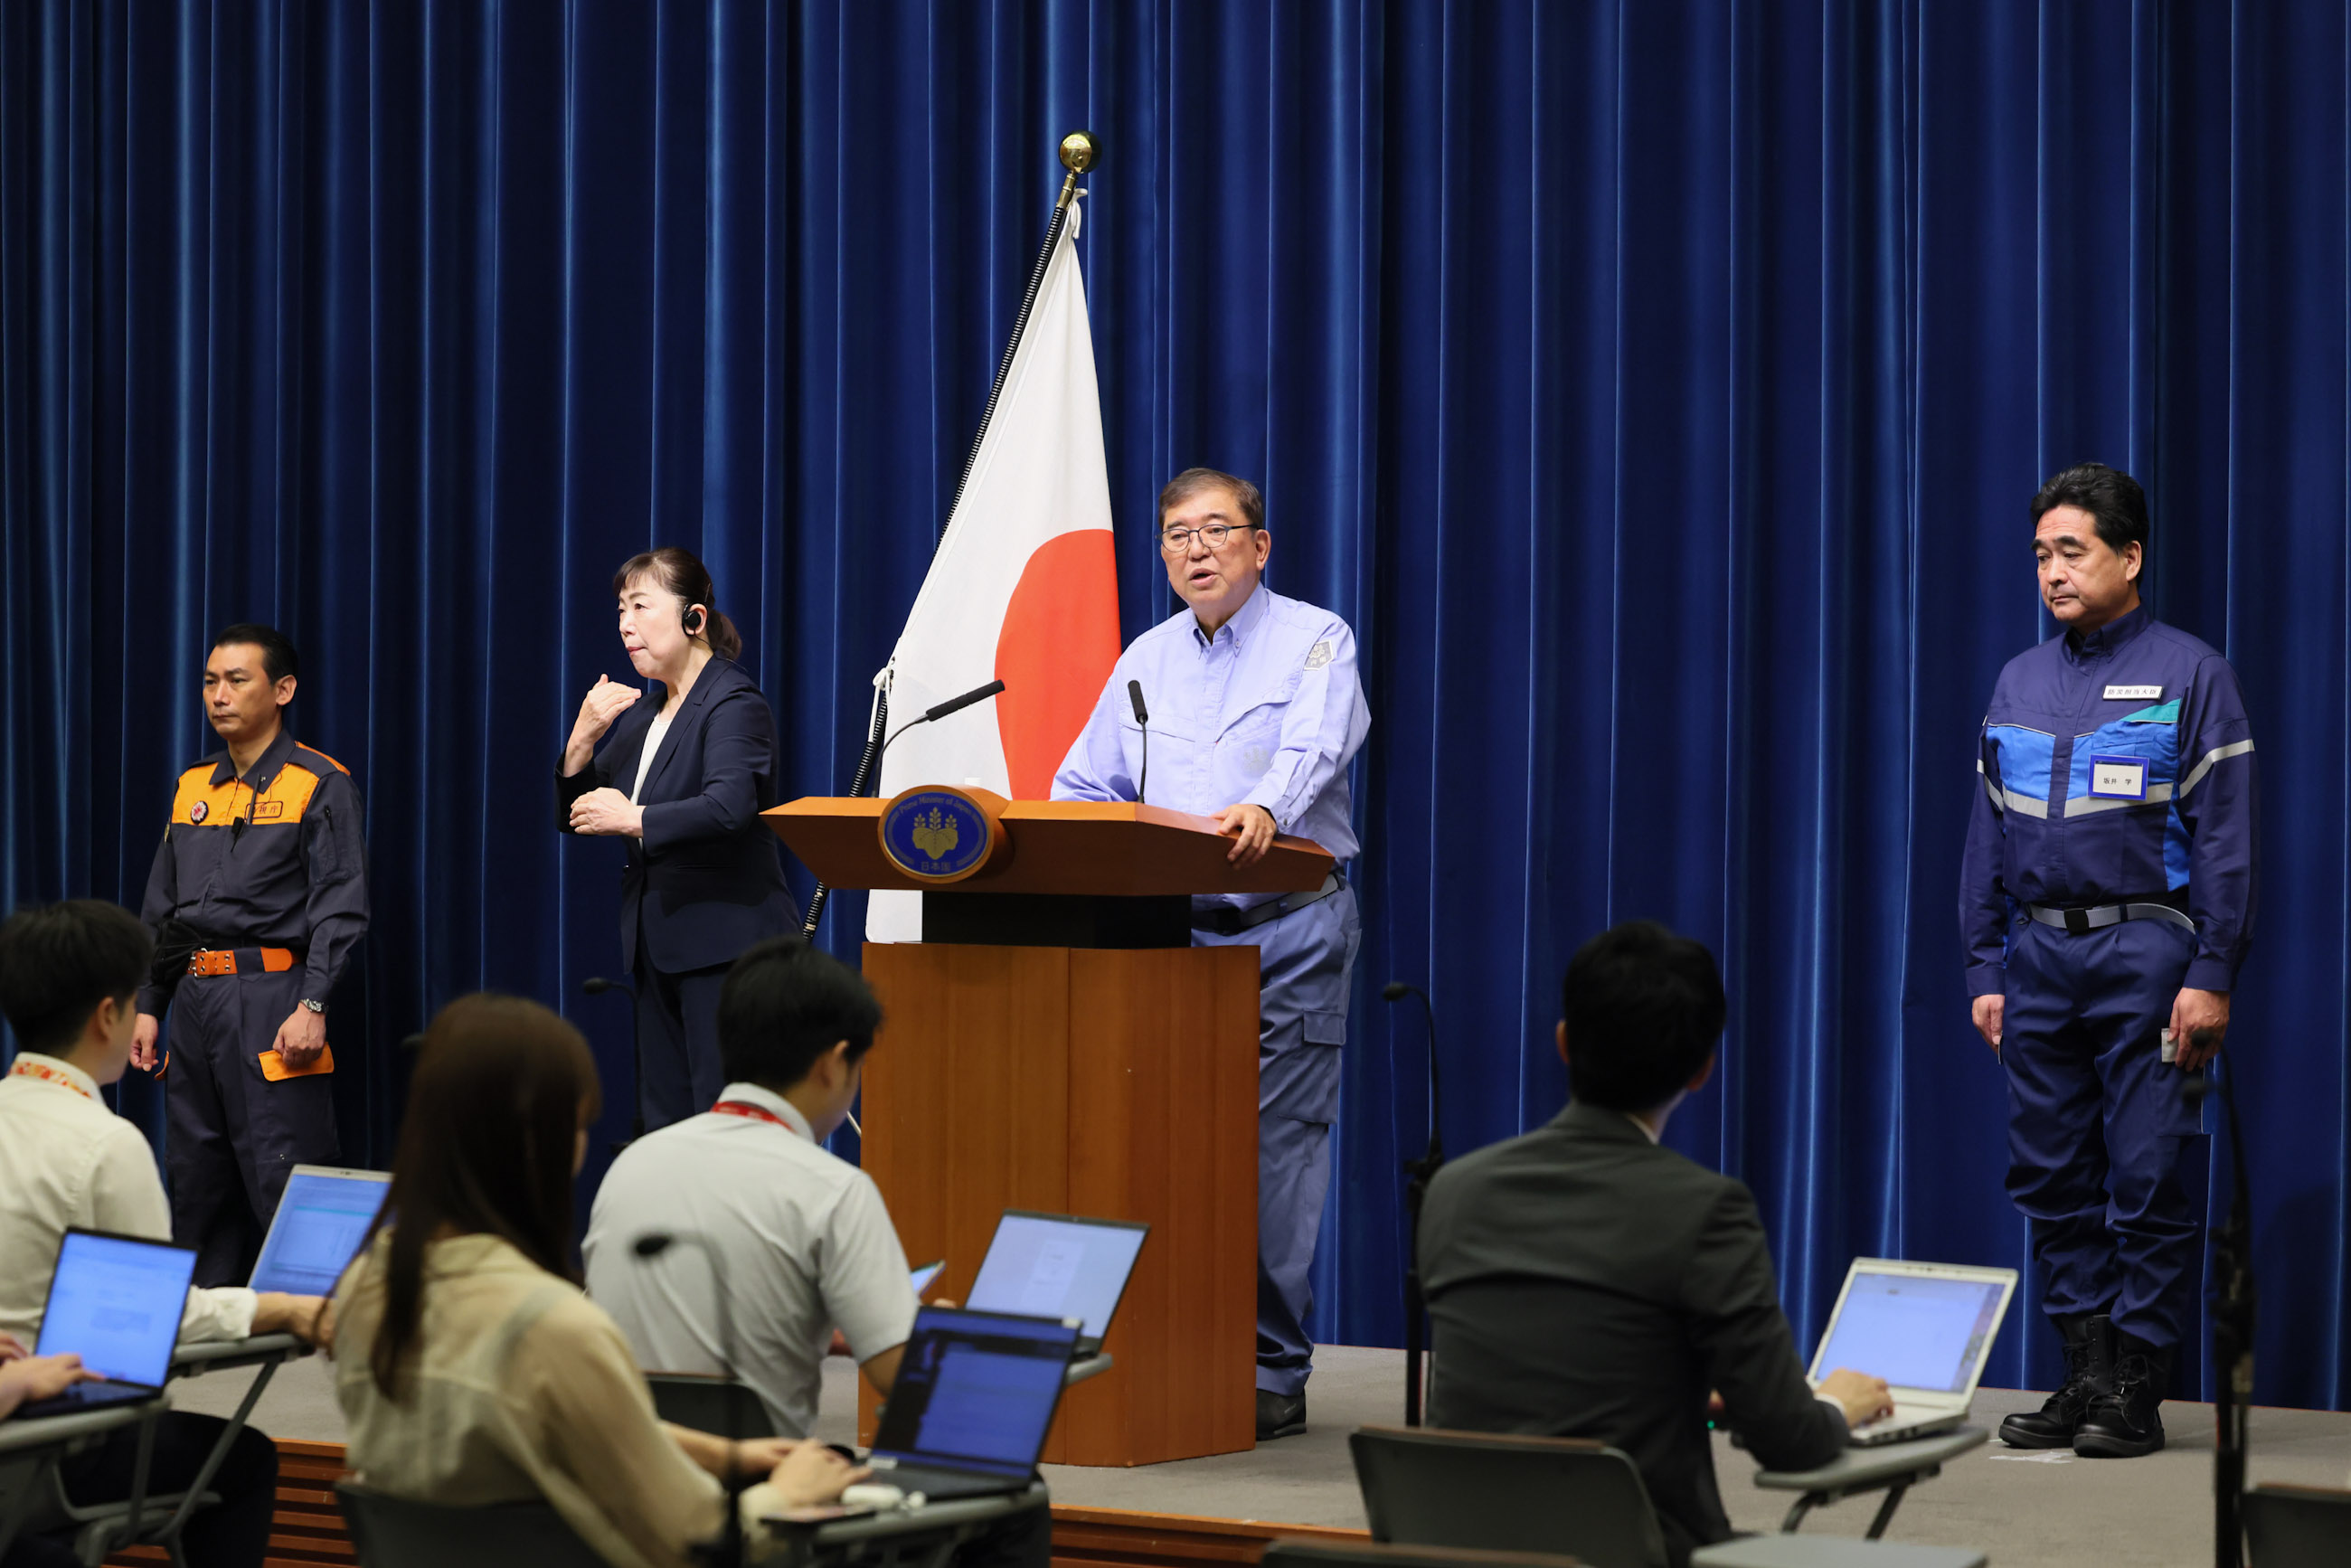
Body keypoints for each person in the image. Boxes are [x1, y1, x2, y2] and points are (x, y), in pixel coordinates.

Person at [1052, 468, 1370, 1440]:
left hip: (1289, 929)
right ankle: (1169, 1342)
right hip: (1168, 939)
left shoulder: (1314, 638)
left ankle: (1270, 1369)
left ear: (1259, 546)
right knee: (1157, 1148)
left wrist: (1266, 807)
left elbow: (1315, 748)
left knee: (1271, 1159)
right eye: (1176, 536)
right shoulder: (1143, 657)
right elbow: (1080, 784)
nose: (1195, 550)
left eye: (1216, 531)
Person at [1417, 921, 1893, 1568]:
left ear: (1563, 1043)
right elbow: (1793, 1444)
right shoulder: (1705, 1210)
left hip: (1461, 1551)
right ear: (1702, 1070)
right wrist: (1839, 1403)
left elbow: (1534, 1370)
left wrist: (1673, 1392)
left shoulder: (1454, 1191)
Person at [331, 994, 861, 1568]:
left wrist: (714, 1452)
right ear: (546, 1143)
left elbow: (510, 1430)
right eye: (580, 1125)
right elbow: (700, 1540)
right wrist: (791, 1493)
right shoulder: (554, 1328)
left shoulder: (366, 1288)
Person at [1961, 462, 2258, 1459]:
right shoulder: (2016, 681)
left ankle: (2137, 1385)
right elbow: (1983, 836)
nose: (2050, 570)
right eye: (2040, 554)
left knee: (2144, 1175)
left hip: (2148, 953)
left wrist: (2210, 972)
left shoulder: (2190, 673)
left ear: (2128, 557)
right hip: (2036, 958)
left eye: (2071, 550)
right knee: (2049, 1176)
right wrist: (1981, 968)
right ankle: (2081, 1373)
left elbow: (2222, 841)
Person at [0, 900, 323, 1568]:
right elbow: (162, 1322)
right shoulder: (103, 1143)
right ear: (109, 1015)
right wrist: (286, 1307)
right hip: (51, 1445)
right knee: (246, 1459)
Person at [584, 937, 914, 1435]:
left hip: (625, 1478)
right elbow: (903, 1377)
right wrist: (931, 1336)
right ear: (833, 1062)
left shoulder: (632, 1164)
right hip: (761, 1492)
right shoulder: (834, 1189)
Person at [131, 624, 369, 1286]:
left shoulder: (319, 783)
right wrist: (150, 1004)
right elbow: (164, 910)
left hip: (272, 998)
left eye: (237, 680)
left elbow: (340, 907)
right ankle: (208, 1320)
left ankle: (320, 1320)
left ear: (282, 690)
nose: (219, 695)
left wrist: (313, 1002)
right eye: (210, 681)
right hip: (196, 1002)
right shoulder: (192, 788)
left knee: (284, 1164)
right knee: (197, 1173)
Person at [558, 548, 795, 1129]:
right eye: (619, 610)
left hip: (728, 949)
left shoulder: (734, 702)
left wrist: (635, 818)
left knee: (726, 1120)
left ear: (694, 620)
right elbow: (579, 816)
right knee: (666, 1122)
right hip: (657, 945)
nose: (624, 624)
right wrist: (581, 744)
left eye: (640, 606)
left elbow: (729, 807)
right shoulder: (645, 714)